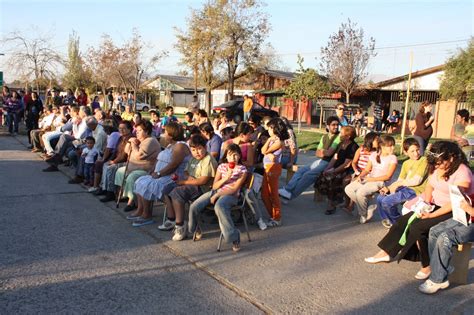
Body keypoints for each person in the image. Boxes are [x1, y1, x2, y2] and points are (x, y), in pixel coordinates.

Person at [364, 141, 473, 281]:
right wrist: (426, 203)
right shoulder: (436, 167)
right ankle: (386, 252)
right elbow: (430, 186)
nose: (436, 166)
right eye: (434, 163)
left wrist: (431, 214)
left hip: (455, 209)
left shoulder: (462, 172)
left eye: (439, 163)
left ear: (451, 157)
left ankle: (427, 265)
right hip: (434, 203)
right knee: (403, 221)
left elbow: (456, 201)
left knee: (418, 227)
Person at [188, 144, 248, 252]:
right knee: (194, 206)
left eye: (235, 155)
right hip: (216, 191)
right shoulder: (222, 167)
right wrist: (225, 178)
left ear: (239, 156)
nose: (233, 158)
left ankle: (234, 237)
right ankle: (195, 230)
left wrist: (218, 195)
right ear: (226, 156)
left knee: (219, 206)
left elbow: (234, 189)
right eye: (230, 155)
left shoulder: (242, 170)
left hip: (230, 195)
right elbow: (215, 186)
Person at [130, 122, 190, 226]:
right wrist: (154, 170)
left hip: (173, 176)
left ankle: (147, 215)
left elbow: (173, 165)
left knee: (147, 184)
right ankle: (142, 211)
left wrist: (158, 173)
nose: (164, 134)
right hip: (162, 174)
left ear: (171, 134)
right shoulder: (171, 145)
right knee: (140, 181)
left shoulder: (180, 146)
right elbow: (160, 160)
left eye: (165, 132)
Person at [163, 134, 217, 240]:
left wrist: (184, 182)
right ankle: (172, 219)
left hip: (204, 189)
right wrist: (188, 177)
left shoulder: (208, 159)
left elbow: (203, 180)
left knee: (178, 192)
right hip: (192, 184)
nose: (196, 152)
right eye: (193, 150)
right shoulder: (193, 159)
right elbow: (186, 171)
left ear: (205, 148)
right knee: (167, 189)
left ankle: (180, 226)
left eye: (199, 149)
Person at [278, 116, 341, 201]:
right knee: (301, 170)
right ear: (328, 126)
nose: (336, 127)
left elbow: (328, 153)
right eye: (333, 125)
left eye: (337, 125)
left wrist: (323, 151)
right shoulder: (324, 137)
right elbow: (317, 153)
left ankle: (291, 196)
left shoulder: (338, 137)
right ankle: (287, 190)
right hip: (322, 160)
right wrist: (325, 152)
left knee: (308, 175)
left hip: (330, 163)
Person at [419, 199, 474, 294]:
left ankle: (437, 279)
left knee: (445, 237)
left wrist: (470, 209)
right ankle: (438, 269)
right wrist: (431, 215)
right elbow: (454, 202)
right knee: (434, 231)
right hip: (465, 217)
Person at [376, 138, 428, 228]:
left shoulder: (424, 160)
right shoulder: (406, 163)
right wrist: (389, 188)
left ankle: (400, 224)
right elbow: (400, 180)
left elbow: (417, 181)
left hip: (416, 190)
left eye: (417, 150)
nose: (416, 153)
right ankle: (390, 221)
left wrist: (398, 185)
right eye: (412, 151)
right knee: (380, 198)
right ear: (405, 152)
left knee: (387, 201)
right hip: (405, 188)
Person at [345, 135, 397, 224]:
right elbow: (366, 169)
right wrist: (360, 177)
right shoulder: (374, 155)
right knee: (348, 189)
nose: (393, 147)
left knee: (360, 193)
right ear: (382, 146)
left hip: (381, 182)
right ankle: (369, 205)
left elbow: (388, 176)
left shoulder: (393, 158)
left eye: (393, 145)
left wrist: (370, 179)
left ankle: (363, 214)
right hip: (370, 178)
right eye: (390, 146)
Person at [114, 121, 161, 211]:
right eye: (136, 130)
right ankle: (124, 194)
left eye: (139, 130)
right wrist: (130, 142)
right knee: (120, 172)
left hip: (146, 169)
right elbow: (127, 151)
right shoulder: (139, 140)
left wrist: (134, 146)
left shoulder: (150, 141)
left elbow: (139, 156)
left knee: (132, 177)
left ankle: (132, 201)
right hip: (133, 167)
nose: (137, 132)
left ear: (146, 132)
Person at [315, 126, 359, 215]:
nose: (339, 135)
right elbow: (335, 158)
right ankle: (334, 199)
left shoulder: (353, 147)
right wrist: (327, 168)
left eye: (341, 134)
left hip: (347, 170)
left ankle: (331, 204)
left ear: (348, 136)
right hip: (337, 168)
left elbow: (346, 164)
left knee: (332, 179)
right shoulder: (341, 144)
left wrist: (334, 171)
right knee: (322, 175)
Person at [261, 118, 289, 227]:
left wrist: (267, 151)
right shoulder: (272, 139)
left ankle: (277, 217)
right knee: (264, 194)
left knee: (273, 194)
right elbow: (264, 151)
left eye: (270, 128)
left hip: (273, 168)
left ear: (275, 128)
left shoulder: (279, 141)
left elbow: (264, 151)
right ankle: (272, 215)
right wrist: (269, 140)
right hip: (267, 167)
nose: (268, 130)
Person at [99, 121, 133, 201]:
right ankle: (104, 188)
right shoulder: (121, 138)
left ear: (129, 129)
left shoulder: (131, 139)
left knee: (111, 168)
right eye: (120, 128)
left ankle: (110, 193)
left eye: (124, 128)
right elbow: (115, 152)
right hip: (119, 160)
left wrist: (114, 162)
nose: (121, 130)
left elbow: (124, 155)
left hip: (127, 162)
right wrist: (111, 159)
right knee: (105, 165)